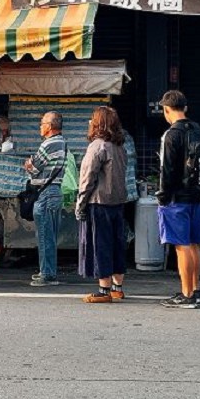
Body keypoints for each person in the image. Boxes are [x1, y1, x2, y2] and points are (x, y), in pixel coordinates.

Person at [157, 90, 200, 309]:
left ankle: (186, 294)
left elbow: (167, 170)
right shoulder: (198, 130)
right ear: (185, 108)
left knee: (182, 245)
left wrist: (163, 196)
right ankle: (195, 290)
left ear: (166, 109)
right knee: (195, 243)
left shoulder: (171, 135)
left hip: (177, 197)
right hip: (197, 195)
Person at [75, 106, 129, 303]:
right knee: (117, 245)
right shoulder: (120, 147)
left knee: (101, 245)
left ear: (97, 123)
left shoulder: (97, 146)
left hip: (98, 203)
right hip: (118, 202)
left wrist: (80, 205)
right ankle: (117, 288)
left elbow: (87, 179)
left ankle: (103, 290)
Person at [23, 111, 67, 287]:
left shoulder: (49, 144)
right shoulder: (62, 142)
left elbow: (33, 168)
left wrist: (29, 164)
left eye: (42, 123)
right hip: (54, 193)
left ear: (49, 126)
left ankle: (47, 274)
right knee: (49, 236)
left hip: (46, 194)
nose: (40, 126)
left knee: (44, 236)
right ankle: (48, 271)